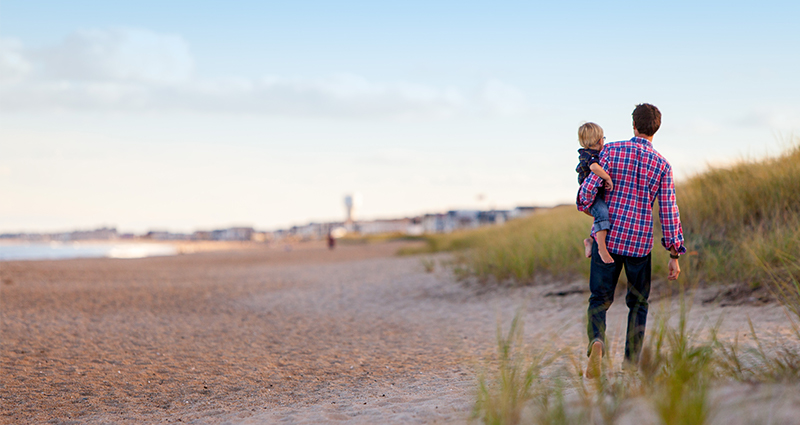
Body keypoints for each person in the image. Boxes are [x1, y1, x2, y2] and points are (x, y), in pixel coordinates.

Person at [577, 104, 686, 379]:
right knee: (638, 304)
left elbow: (586, 194)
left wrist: (588, 204)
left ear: (633, 125)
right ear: (656, 128)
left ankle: (597, 342)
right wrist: (674, 255)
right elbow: (669, 211)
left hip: (609, 240)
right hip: (639, 245)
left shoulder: (611, 151)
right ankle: (630, 364)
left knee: (599, 300)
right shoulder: (662, 165)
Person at [575, 122, 615, 264]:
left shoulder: (588, 153)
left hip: (594, 194)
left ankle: (590, 240)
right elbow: (594, 168)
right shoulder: (590, 155)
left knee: (600, 215)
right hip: (589, 195)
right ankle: (602, 249)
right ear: (600, 140)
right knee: (603, 213)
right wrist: (607, 177)